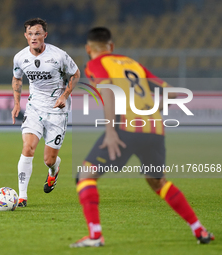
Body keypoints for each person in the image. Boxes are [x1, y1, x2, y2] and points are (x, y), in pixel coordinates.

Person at [70, 27, 214, 247]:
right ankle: (199, 229)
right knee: (158, 182)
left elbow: (107, 91)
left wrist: (110, 132)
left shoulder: (96, 64)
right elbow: (172, 92)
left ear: (89, 49)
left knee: (85, 176)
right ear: (112, 46)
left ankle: (95, 236)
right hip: (155, 128)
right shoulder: (132, 63)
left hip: (126, 128)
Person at [11, 18, 80, 207]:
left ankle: (54, 170)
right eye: (30, 34)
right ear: (26, 36)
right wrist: (17, 103)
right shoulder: (20, 57)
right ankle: (22, 197)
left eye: (37, 33)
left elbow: (75, 74)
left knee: (48, 160)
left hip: (57, 110)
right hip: (34, 107)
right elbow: (17, 79)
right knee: (28, 148)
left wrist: (65, 95)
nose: (34, 37)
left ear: (45, 35)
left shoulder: (58, 56)